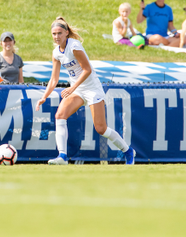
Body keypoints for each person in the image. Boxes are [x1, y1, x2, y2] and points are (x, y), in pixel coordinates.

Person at [35, 17, 135, 165]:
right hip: (77, 90)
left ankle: (128, 151)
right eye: (54, 34)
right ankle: (62, 156)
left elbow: (87, 70)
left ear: (66, 33)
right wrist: (44, 97)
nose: (56, 37)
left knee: (101, 129)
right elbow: (53, 79)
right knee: (60, 115)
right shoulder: (56, 52)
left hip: (92, 88)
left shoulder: (74, 46)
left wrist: (72, 88)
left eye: (59, 33)